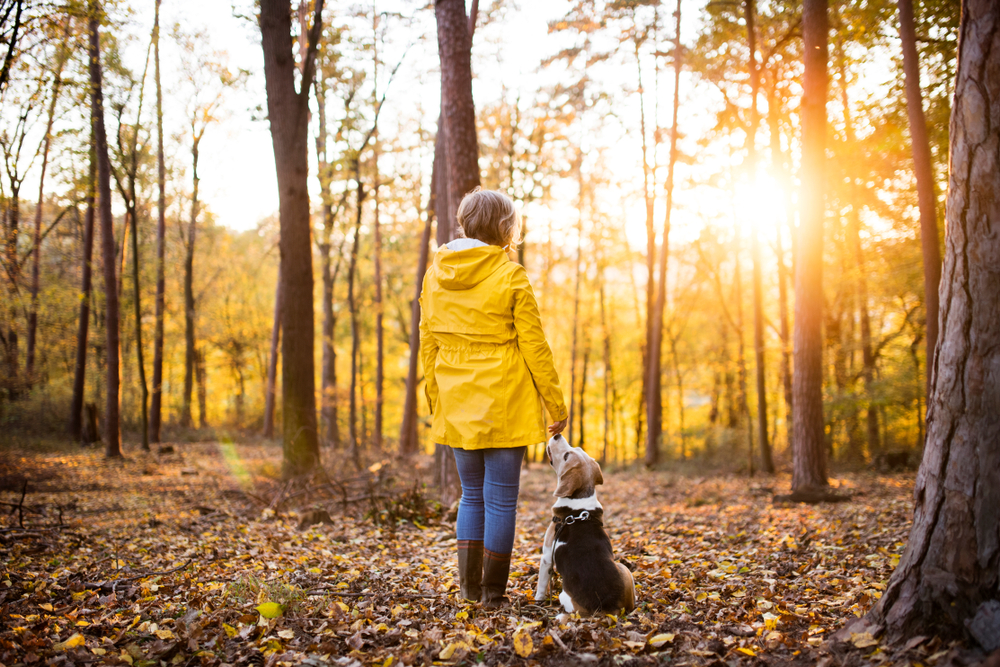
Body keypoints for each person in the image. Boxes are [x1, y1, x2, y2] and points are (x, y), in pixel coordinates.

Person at [419, 188, 568, 609]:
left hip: (456, 398)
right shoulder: (511, 276)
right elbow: (536, 346)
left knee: (471, 495)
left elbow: (427, 341)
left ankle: (468, 590)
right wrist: (555, 404)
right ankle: (491, 594)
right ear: (506, 229)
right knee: (501, 498)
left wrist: (437, 397)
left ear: (466, 224)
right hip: (504, 397)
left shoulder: (436, 275)